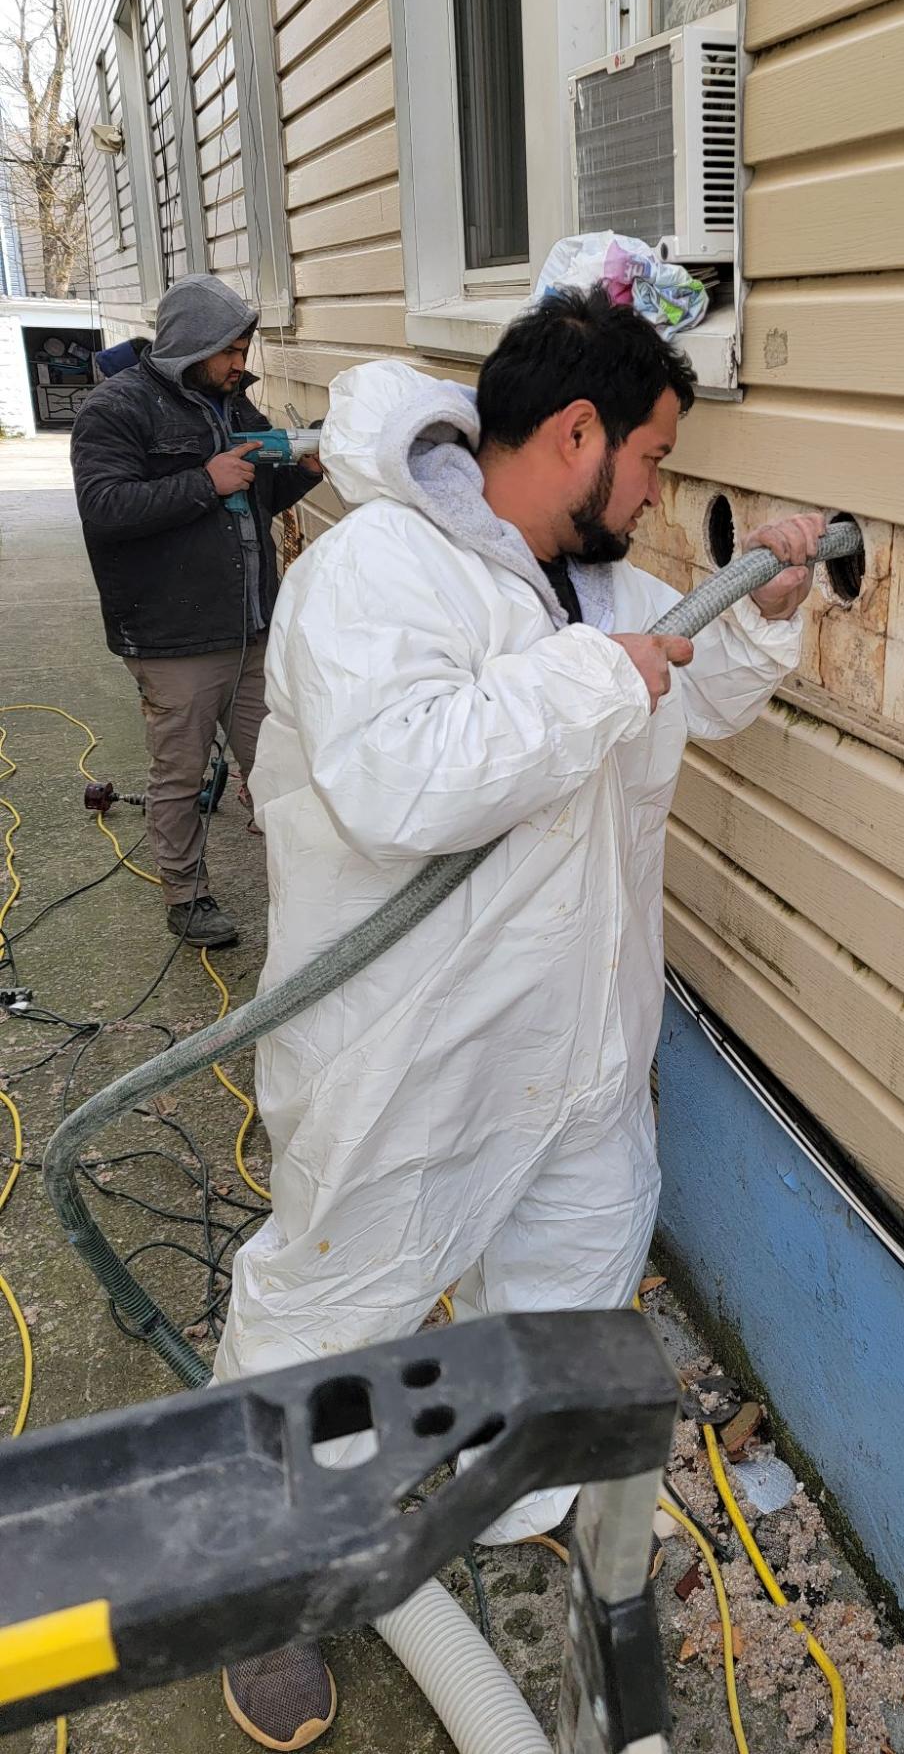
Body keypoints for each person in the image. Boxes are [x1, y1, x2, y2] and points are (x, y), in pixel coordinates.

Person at [212, 287, 822, 1748]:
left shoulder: (596, 586)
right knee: (334, 1305)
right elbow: (401, 781)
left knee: (564, 1282)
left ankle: (515, 1503)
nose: (660, 488)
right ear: (575, 429)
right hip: (406, 1058)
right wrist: (586, 678)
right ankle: (269, 1582)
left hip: (577, 1052)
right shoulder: (375, 569)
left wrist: (760, 619)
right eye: (656, 457)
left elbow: (659, 701)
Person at [70, 275, 322, 948]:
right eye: (231, 350)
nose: (242, 364)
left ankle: (307, 883)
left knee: (279, 759)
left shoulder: (234, 403)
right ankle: (187, 893)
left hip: (250, 625)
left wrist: (310, 465)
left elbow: (267, 489)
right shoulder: (117, 410)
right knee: (180, 773)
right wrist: (203, 483)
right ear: (192, 345)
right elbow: (105, 508)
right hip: (172, 635)